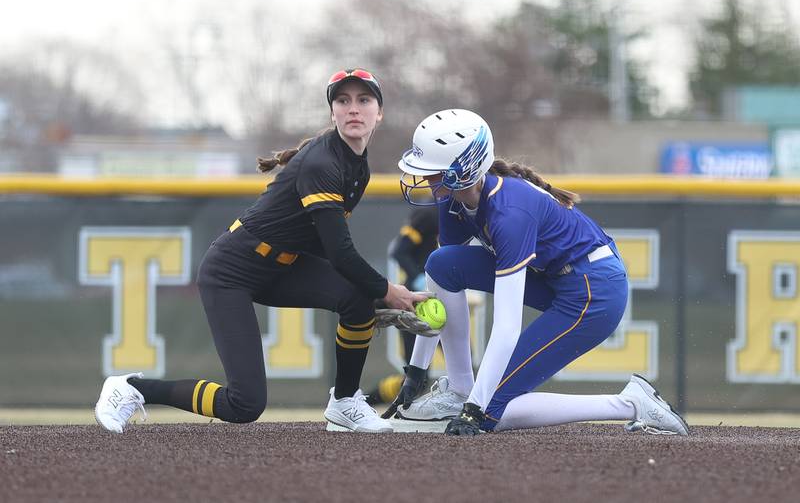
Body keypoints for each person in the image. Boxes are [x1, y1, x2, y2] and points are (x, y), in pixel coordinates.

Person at [94, 68, 428, 434]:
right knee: (245, 404)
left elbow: (322, 244)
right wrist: (387, 292)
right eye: (342, 100)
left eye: (364, 100)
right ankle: (131, 389)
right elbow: (339, 252)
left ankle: (345, 402)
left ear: (379, 113)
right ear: (332, 112)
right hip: (231, 272)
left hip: (282, 266)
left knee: (357, 299)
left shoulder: (356, 165)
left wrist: (370, 299)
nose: (353, 109)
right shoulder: (323, 162)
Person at [388, 108, 689, 436]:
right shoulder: (452, 200)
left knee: (489, 412)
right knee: (442, 263)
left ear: (463, 169)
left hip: (594, 291)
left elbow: (506, 327)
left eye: (433, 170)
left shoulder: (509, 213)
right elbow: (437, 293)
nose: (424, 177)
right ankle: (460, 389)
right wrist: (416, 373)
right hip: (556, 276)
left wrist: (474, 410)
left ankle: (631, 403)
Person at [365, 207, 438, 406]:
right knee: (417, 378)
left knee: (463, 363)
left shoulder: (465, 212)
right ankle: (365, 400)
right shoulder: (429, 214)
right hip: (417, 304)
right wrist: (419, 280)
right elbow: (399, 251)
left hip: (444, 303)